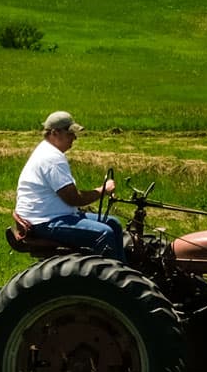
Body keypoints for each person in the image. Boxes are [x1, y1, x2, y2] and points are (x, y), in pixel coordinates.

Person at [14, 109, 124, 261]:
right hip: (45, 222)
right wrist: (103, 190)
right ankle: (112, 279)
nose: (74, 137)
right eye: (70, 133)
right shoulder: (51, 158)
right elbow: (73, 199)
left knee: (114, 223)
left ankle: (122, 269)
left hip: (49, 217)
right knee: (105, 233)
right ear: (54, 133)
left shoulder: (48, 151)